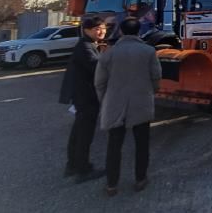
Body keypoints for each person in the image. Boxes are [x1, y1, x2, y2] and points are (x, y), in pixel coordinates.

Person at [95, 17, 162, 196]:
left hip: (115, 104)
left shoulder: (108, 53)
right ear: (139, 31)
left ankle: (111, 184)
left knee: (114, 145)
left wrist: (105, 100)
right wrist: (151, 92)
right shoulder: (149, 51)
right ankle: (140, 179)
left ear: (121, 31)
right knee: (142, 144)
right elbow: (156, 77)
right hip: (141, 103)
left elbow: (99, 82)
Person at [59, 17, 107, 183]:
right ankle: (83, 169)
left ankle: (72, 165)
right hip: (86, 96)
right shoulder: (85, 47)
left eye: (103, 28)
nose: (101, 31)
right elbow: (98, 67)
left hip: (83, 95)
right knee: (84, 133)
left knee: (78, 130)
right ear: (86, 30)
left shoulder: (89, 44)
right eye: (97, 29)